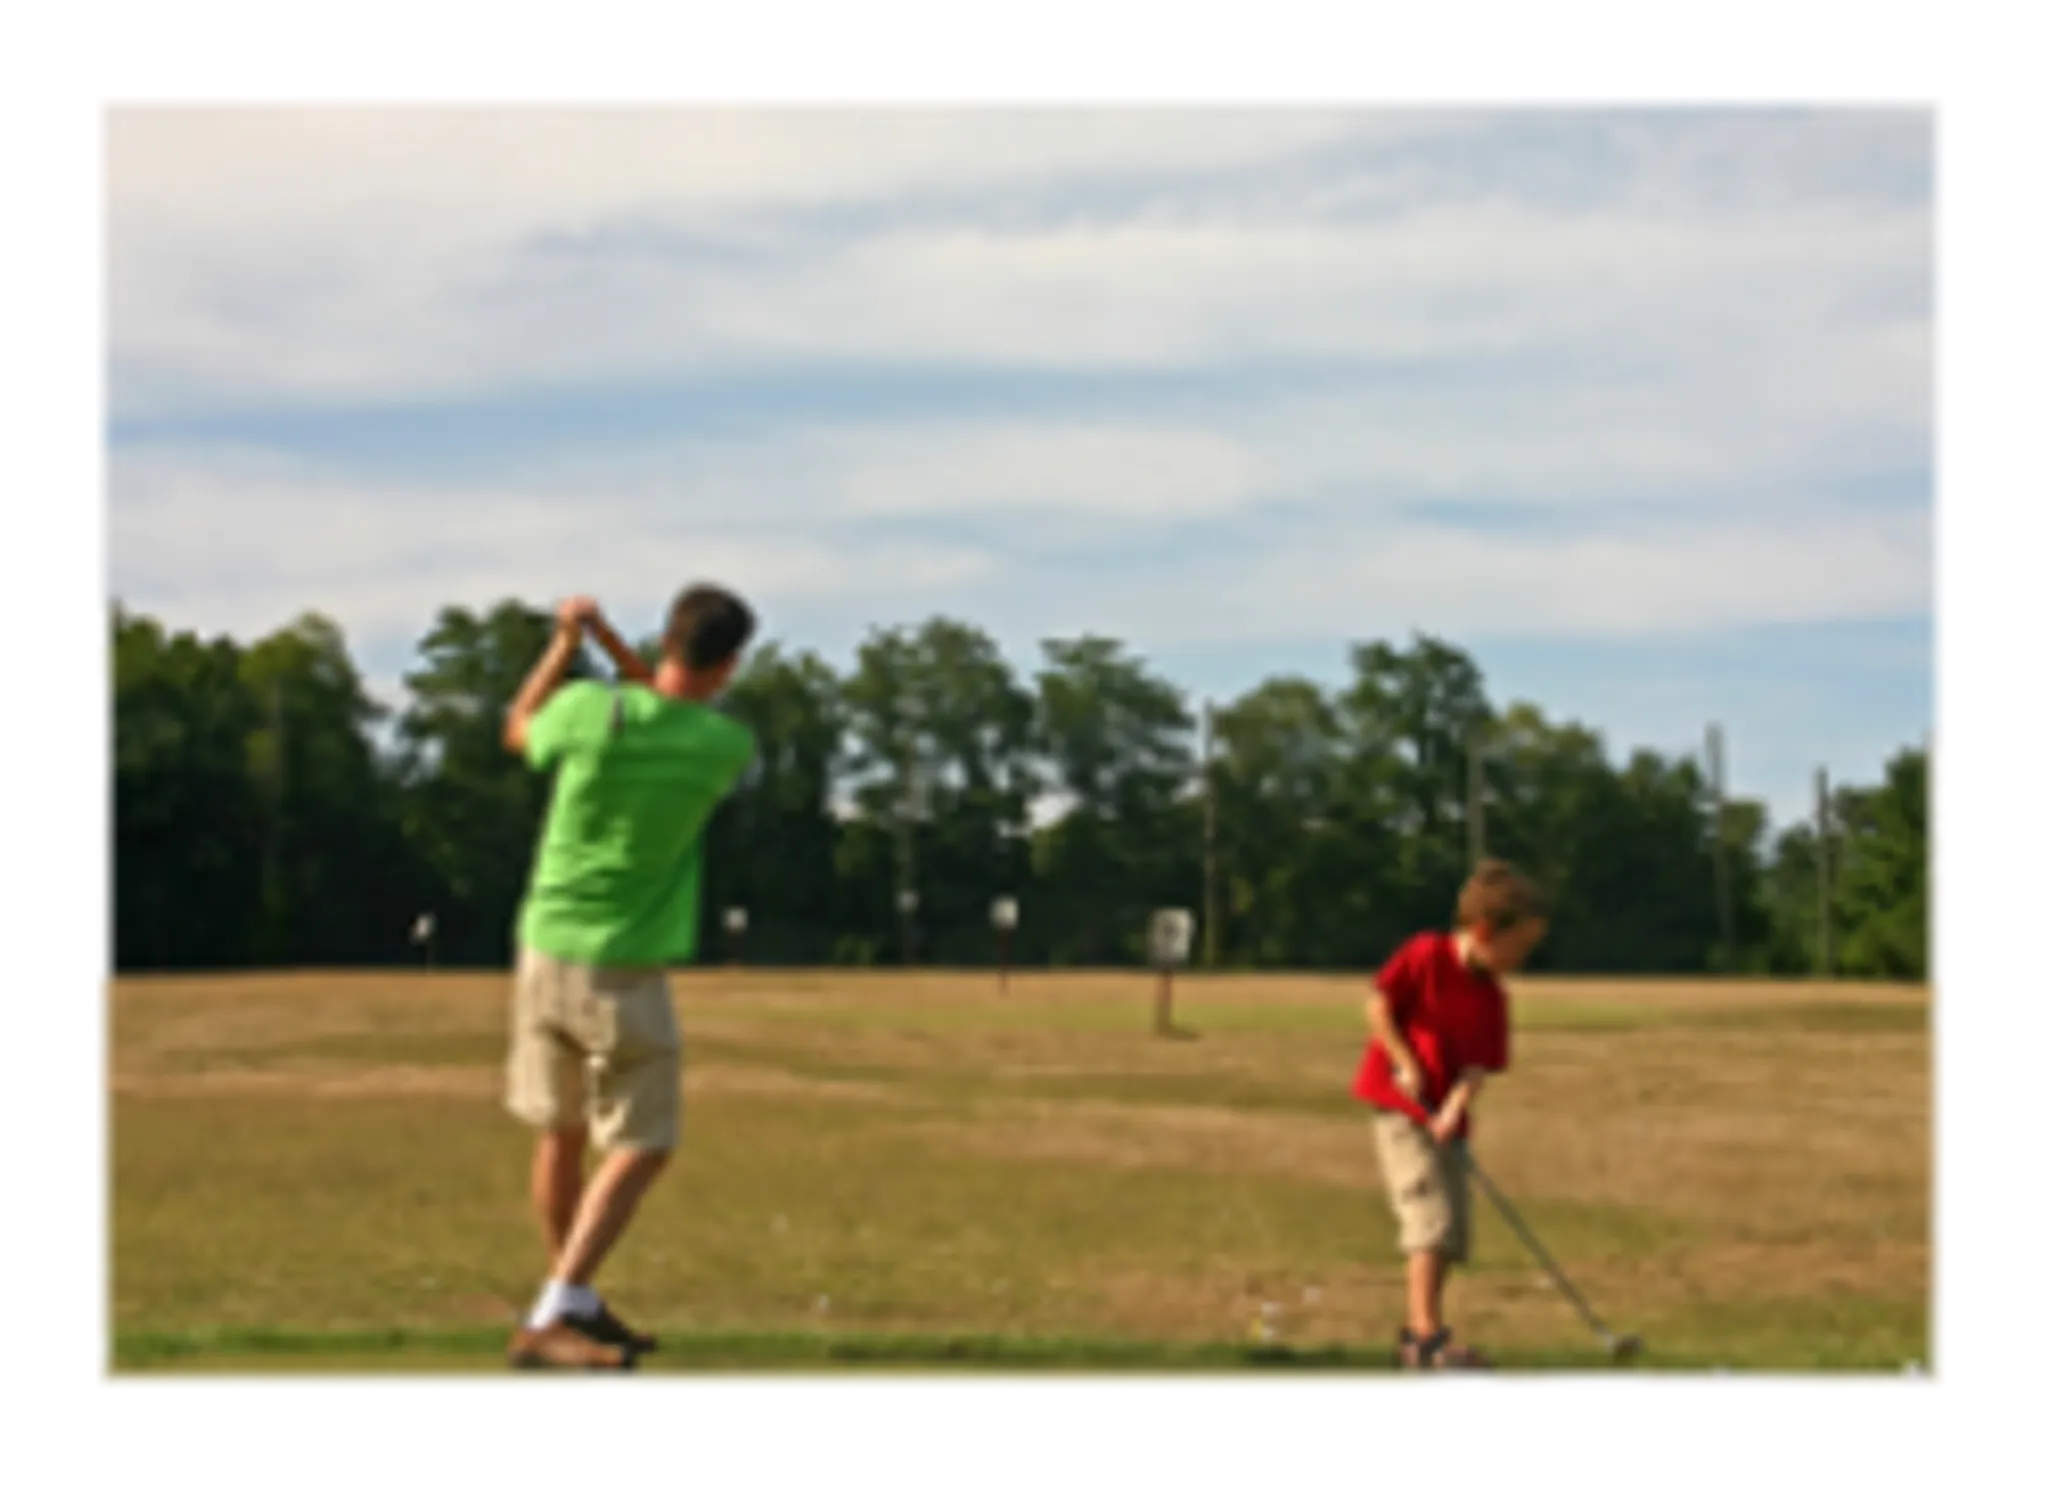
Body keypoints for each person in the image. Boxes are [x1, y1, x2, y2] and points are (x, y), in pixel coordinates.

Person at [499, 585, 757, 1377]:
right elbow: (667, 699)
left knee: (563, 1131)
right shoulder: (721, 744)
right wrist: (607, 642)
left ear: (667, 636)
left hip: (543, 946)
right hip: (623, 964)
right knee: (645, 1142)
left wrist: (567, 644)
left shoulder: (586, 711)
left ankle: (571, 1299)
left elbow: (518, 729)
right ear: (731, 664)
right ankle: (557, 1303)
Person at [1353, 858, 1548, 1382]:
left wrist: (1456, 1110)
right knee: (1429, 1218)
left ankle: (1422, 1335)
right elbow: (1377, 1007)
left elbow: (1476, 1068)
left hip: (1444, 1118)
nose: (1521, 960)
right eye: (1518, 948)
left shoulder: (1492, 998)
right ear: (1484, 931)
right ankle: (1427, 1337)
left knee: (1452, 1233)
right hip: (1400, 1107)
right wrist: (1404, 1061)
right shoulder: (1424, 956)